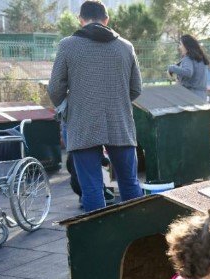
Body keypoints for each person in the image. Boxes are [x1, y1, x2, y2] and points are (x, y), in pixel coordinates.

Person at [47, 0, 143, 212]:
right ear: (106, 20)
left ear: (81, 20)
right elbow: (136, 89)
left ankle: (99, 240)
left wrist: (69, 106)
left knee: (91, 189)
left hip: (83, 124)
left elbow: (54, 88)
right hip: (120, 123)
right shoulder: (126, 47)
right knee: (129, 183)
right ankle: (137, 234)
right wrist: (116, 100)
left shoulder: (67, 45)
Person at [168, 34, 209, 101]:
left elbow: (188, 72)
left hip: (190, 97)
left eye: (181, 44)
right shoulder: (202, 59)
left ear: (186, 46)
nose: (179, 47)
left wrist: (172, 68)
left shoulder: (188, 58)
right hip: (202, 97)